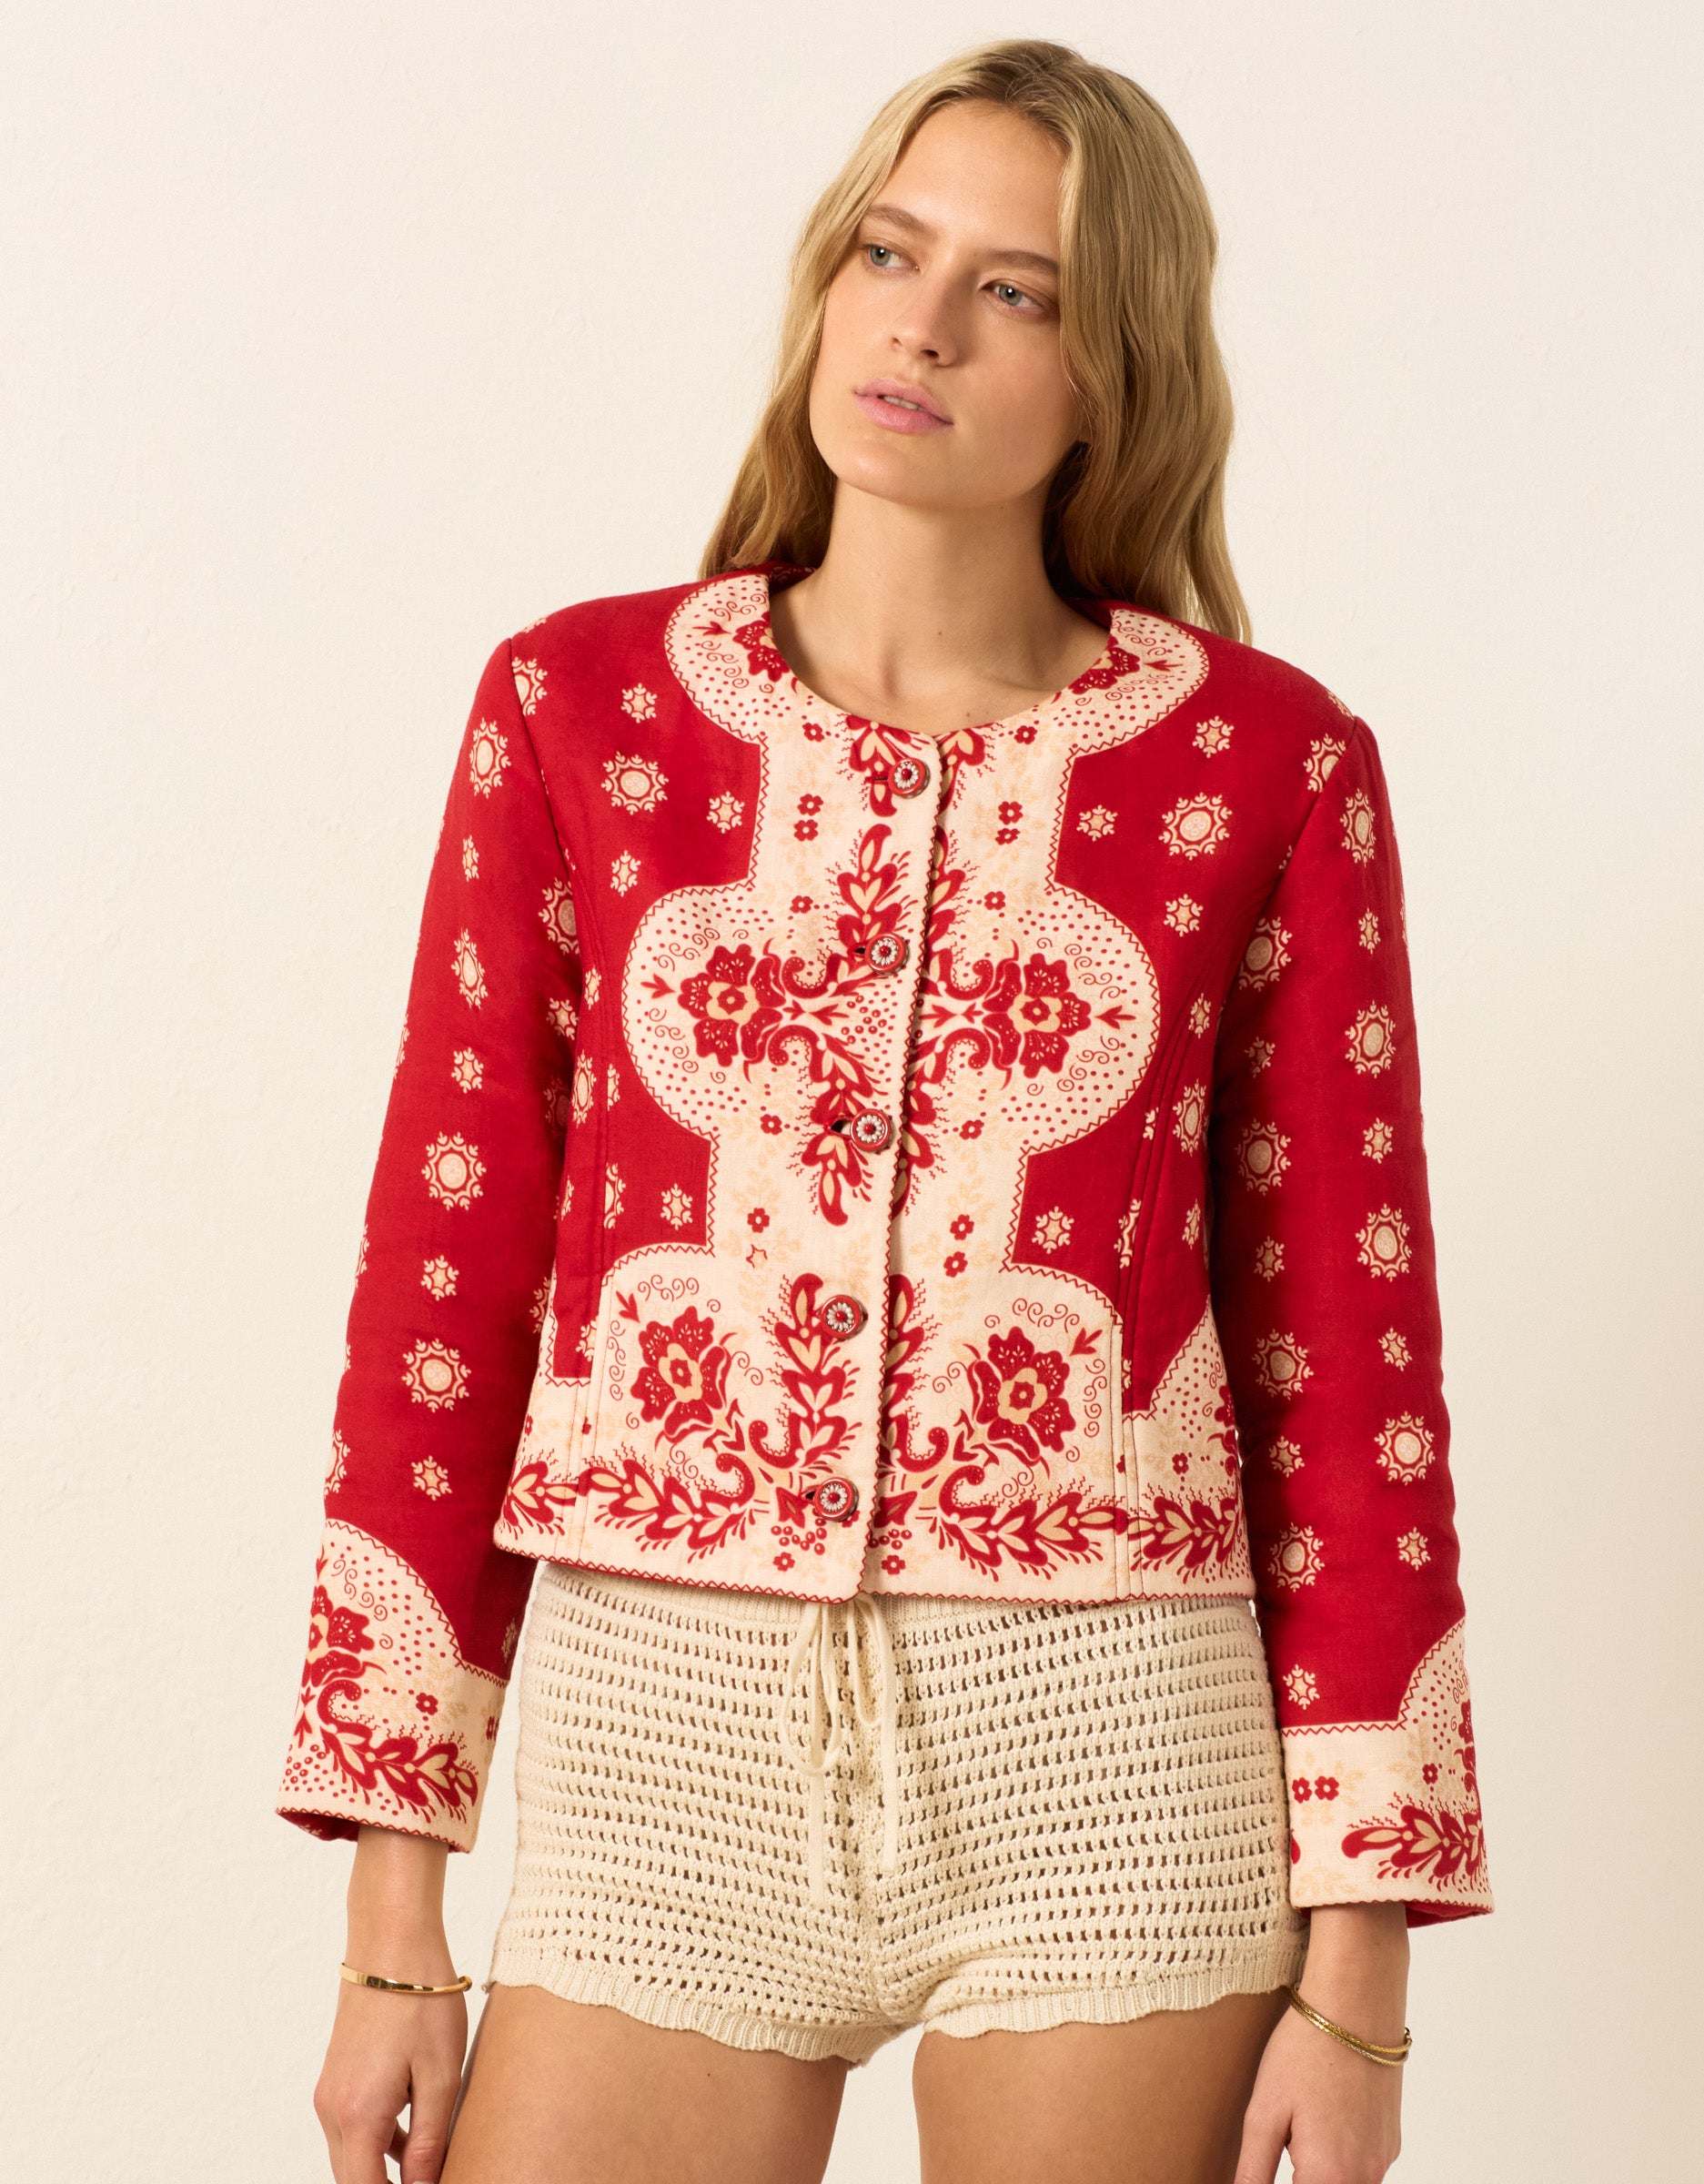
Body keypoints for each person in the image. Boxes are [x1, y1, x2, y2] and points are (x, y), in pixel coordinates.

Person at [281, 38, 1491, 2184]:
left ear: (1112, 373)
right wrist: (396, 1915)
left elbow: (1349, 1368)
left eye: (1016, 291)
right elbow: (443, 1298)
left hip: (1111, 1761)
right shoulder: (579, 714)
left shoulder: (1267, 769)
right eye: (887, 250)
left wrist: (1360, 1972)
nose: (921, 324)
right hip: (664, 1757)